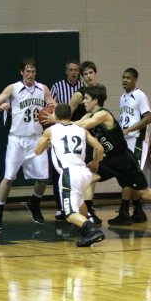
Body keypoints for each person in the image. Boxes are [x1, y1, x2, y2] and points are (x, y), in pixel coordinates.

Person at [75, 85, 151, 225]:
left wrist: (60, 125)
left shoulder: (102, 114)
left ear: (95, 101)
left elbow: (83, 126)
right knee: (86, 176)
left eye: (86, 99)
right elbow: (75, 123)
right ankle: (87, 215)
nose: (83, 102)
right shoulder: (89, 115)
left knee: (145, 192)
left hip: (125, 160)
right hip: (111, 160)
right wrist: (56, 122)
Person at [0, 57, 55, 232]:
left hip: (36, 138)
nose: (30, 74)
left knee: (43, 178)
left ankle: (34, 203)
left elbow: (52, 105)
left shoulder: (43, 89)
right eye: (27, 71)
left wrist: (52, 106)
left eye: (33, 71)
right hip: (17, 139)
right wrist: (0, 107)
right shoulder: (14, 88)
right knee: (9, 178)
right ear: (21, 72)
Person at [34, 103, 105, 247]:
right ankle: (87, 228)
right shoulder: (81, 130)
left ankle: (91, 230)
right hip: (84, 173)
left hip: (69, 174)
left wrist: (48, 141)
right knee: (79, 203)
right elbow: (99, 148)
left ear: (56, 116)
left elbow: (37, 151)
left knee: (69, 213)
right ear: (70, 116)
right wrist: (96, 162)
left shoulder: (51, 131)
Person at [68, 61, 106, 225]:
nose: (89, 76)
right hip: (79, 136)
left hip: (93, 135)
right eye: (86, 74)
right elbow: (66, 114)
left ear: (95, 73)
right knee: (82, 175)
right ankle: (78, 209)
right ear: (82, 77)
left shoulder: (99, 91)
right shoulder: (79, 95)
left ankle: (88, 208)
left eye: (91, 72)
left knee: (91, 172)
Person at [115, 67, 151, 225]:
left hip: (137, 139)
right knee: (130, 176)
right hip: (126, 140)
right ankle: (138, 211)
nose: (125, 80)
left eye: (128, 78)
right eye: (123, 77)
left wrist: (130, 129)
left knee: (129, 175)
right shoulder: (122, 97)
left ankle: (124, 211)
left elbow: (148, 118)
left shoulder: (140, 95)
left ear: (135, 79)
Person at [49, 60, 84, 221]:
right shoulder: (56, 86)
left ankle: (78, 206)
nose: (73, 72)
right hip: (60, 129)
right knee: (58, 170)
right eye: (71, 70)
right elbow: (49, 107)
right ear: (66, 71)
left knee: (75, 168)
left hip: (77, 130)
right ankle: (60, 206)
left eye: (76, 70)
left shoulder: (82, 88)